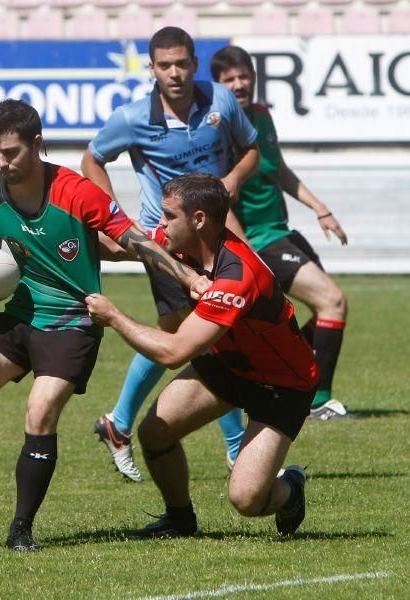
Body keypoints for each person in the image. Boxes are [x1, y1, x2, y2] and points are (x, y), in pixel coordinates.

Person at [0, 99, 206, 552]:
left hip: (73, 321)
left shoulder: (78, 192)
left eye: (12, 152)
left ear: (37, 144)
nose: (3, 162)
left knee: (39, 414)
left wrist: (189, 275)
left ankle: (21, 529)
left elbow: (134, 240)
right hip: (20, 314)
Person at [86, 173, 315, 537]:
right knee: (155, 433)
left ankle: (290, 488)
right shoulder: (182, 245)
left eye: (168, 216)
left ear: (198, 220)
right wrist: (51, 233)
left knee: (246, 500)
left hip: (282, 384)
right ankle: (180, 519)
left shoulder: (237, 275)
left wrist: (114, 317)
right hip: (229, 365)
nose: (161, 223)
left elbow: (175, 352)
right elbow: (120, 245)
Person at [81, 26, 260, 481]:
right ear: (152, 68)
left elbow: (252, 149)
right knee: (210, 334)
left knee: (187, 333)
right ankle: (236, 447)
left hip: (218, 236)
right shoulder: (132, 117)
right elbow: (92, 159)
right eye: (165, 65)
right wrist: (115, 217)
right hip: (167, 241)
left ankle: (119, 424)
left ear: (196, 64)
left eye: (182, 63)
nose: (175, 73)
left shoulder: (220, 101)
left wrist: (235, 178)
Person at [211, 45, 351, 421]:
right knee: (332, 302)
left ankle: (279, 379)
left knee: (320, 313)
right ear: (218, 86)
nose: (239, 84)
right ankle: (317, 401)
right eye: (230, 79)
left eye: (244, 77)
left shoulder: (261, 116)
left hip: (281, 232)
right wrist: (242, 251)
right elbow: (219, 195)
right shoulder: (218, 130)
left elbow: (280, 170)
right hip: (260, 241)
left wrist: (321, 209)